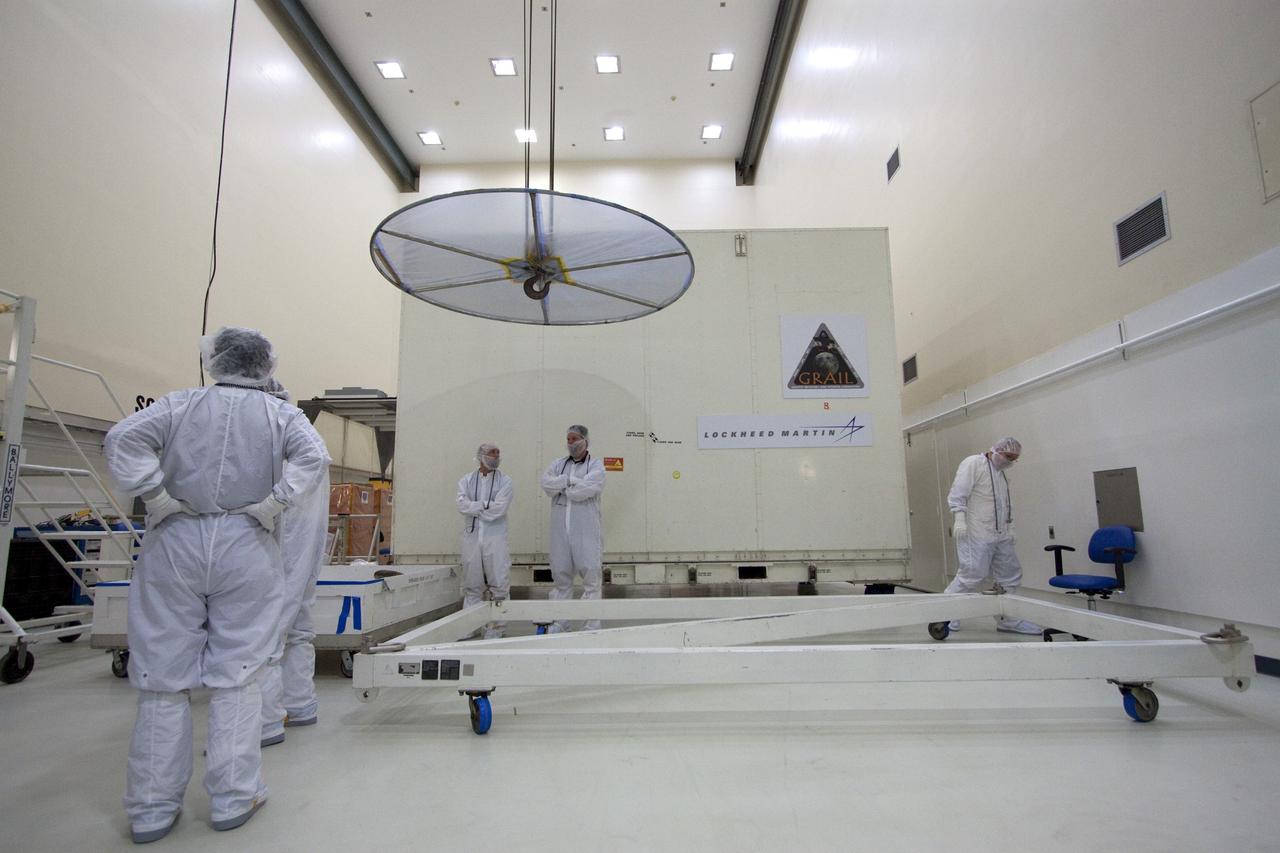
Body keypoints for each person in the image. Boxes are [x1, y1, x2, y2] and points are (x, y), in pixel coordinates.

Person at [104, 327, 329, 842]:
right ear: (266, 366)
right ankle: (232, 796)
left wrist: (156, 499)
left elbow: (121, 439)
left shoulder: (179, 405)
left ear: (214, 360)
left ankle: (152, 808)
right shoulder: (281, 415)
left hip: (175, 539)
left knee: (162, 676)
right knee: (239, 671)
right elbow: (313, 459)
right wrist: (273, 504)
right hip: (246, 540)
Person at [258, 378, 331, 748]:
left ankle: (266, 719)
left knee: (267, 630)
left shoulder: (279, 430)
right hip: (303, 545)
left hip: (282, 544)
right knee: (298, 623)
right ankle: (299, 703)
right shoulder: (302, 428)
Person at [944, 437, 1042, 634]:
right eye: (1007, 456)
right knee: (972, 574)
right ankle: (945, 615)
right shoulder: (974, 463)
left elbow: (1004, 503)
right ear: (996, 451)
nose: (1010, 461)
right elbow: (958, 493)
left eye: (1014, 459)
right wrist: (959, 518)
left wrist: (1010, 526)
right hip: (976, 531)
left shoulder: (1001, 474)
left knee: (1010, 575)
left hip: (1000, 533)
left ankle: (1008, 620)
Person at [539, 425, 606, 632]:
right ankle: (560, 621)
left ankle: (591, 625)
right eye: (568, 439)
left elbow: (586, 490)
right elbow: (546, 484)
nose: (571, 443)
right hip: (561, 531)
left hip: (586, 530)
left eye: (575, 439)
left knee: (591, 577)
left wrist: (564, 486)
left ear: (585, 440)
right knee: (561, 576)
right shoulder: (558, 464)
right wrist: (569, 481)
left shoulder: (596, 466)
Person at [456, 443, 514, 639]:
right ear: (481, 456)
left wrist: (476, 508)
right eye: (492, 453)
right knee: (472, 585)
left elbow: (500, 509)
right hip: (472, 539)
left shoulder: (505, 481)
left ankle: (497, 628)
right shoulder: (466, 480)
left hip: (495, 539)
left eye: (498, 453)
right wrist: (485, 506)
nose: (496, 456)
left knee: (499, 583)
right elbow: (461, 505)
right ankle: (469, 626)